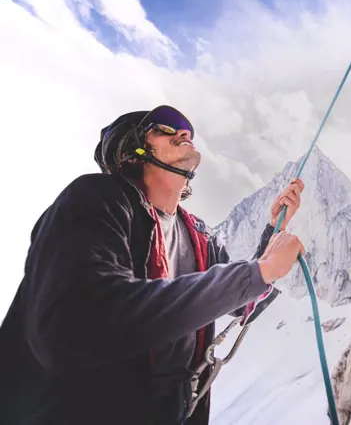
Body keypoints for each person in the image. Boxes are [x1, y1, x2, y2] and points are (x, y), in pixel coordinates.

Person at [0, 105, 306, 425]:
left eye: (187, 128)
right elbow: (75, 323)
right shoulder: (95, 199)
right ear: (132, 149)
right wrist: (258, 271)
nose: (184, 133)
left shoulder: (198, 237)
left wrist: (273, 233)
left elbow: (248, 302)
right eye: (168, 127)